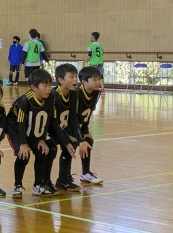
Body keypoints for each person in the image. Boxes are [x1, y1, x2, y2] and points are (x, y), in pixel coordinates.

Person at [7, 69, 74, 197]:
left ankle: (38, 185)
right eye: (45, 85)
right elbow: (21, 123)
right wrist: (23, 143)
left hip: (33, 129)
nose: (49, 89)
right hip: (16, 129)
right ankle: (17, 185)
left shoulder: (51, 98)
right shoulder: (25, 100)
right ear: (33, 87)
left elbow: (51, 122)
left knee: (43, 150)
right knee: (24, 155)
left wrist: (44, 139)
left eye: (50, 85)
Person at [52, 63, 90, 192]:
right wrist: (66, 141)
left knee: (73, 143)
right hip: (50, 130)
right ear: (60, 80)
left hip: (61, 129)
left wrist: (81, 139)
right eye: (71, 77)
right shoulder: (54, 95)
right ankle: (44, 182)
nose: (75, 80)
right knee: (53, 149)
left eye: (76, 77)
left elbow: (73, 118)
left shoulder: (73, 94)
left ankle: (63, 179)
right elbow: (53, 123)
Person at [76, 66, 104, 184]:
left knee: (88, 140)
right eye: (95, 80)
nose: (98, 82)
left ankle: (85, 173)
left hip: (80, 126)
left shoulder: (96, 92)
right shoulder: (77, 93)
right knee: (70, 145)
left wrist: (85, 130)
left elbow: (89, 112)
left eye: (99, 79)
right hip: (69, 126)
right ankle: (64, 177)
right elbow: (73, 117)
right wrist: (79, 137)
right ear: (84, 82)